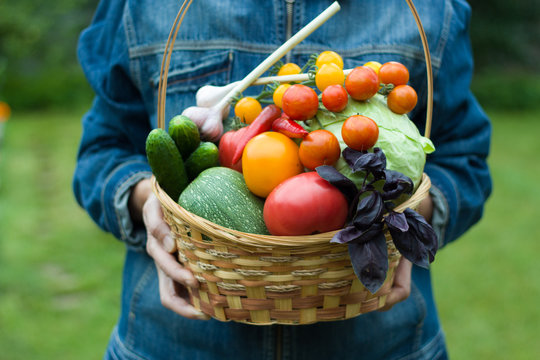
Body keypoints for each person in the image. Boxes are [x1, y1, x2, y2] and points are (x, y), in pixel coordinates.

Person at [73, 0, 492, 359]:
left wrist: (407, 217)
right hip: (175, 341)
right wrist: (149, 198)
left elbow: (464, 159)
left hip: (382, 339)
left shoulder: (427, 8)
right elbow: (102, 150)